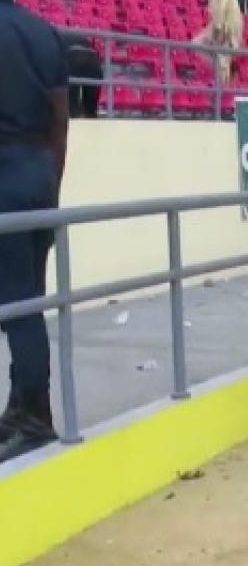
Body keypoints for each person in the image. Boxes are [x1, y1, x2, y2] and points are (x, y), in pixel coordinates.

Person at [0, 0, 69, 460]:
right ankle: (21, 403)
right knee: (29, 298)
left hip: (4, 168)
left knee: (16, 306)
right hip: (40, 171)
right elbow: (60, 118)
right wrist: (52, 185)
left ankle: (36, 417)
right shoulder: (43, 31)